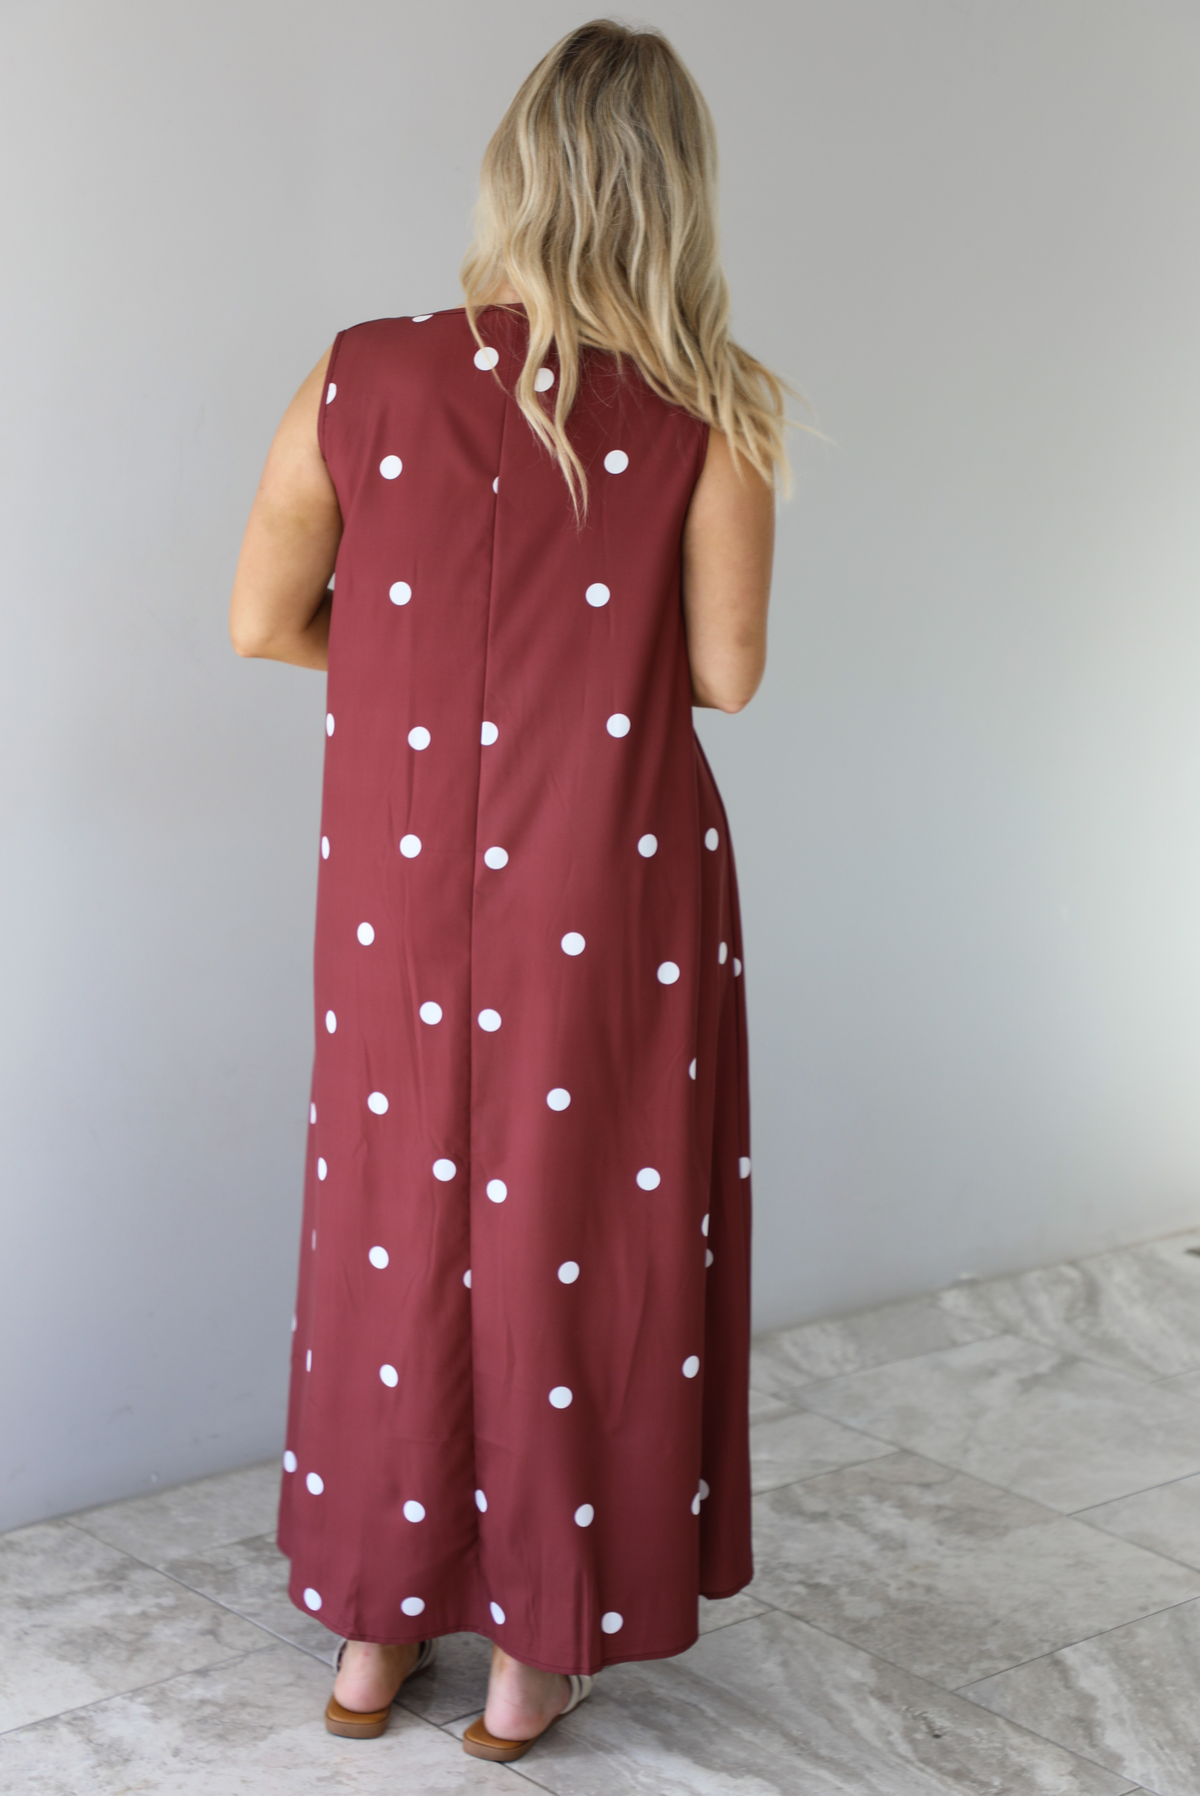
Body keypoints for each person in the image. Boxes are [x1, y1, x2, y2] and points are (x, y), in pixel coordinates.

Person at [229, 16, 788, 1764]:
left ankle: (375, 1641)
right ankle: (542, 1651)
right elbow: (725, 674)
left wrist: (413, 672)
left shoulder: (363, 374)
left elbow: (263, 620)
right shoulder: (710, 407)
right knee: (581, 1233)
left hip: (398, 890)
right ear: (676, 198)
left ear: (516, 172)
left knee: (400, 1217)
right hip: (605, 881)